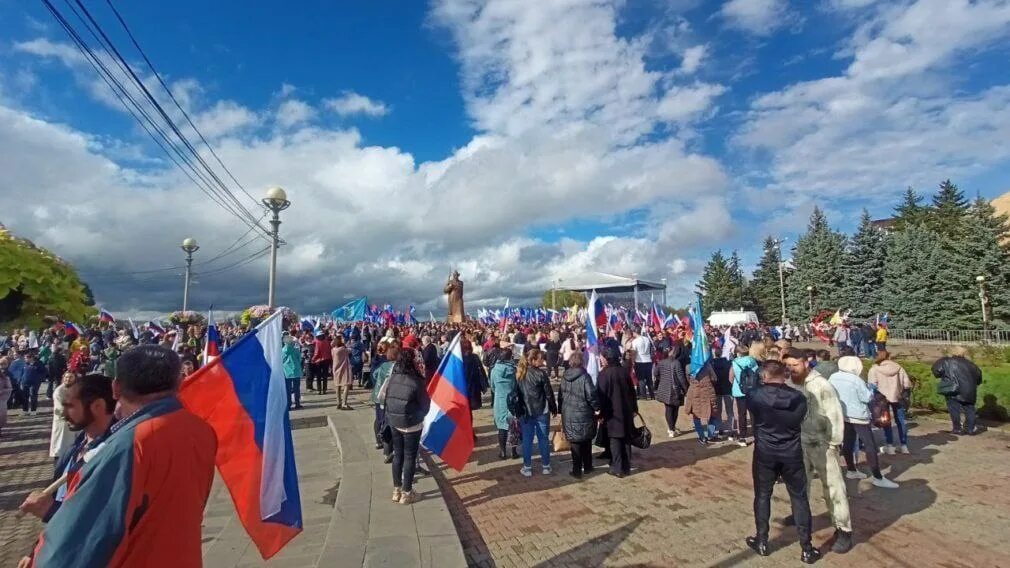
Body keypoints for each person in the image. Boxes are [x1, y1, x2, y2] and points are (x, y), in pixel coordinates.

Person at [23, 344, 216, 568]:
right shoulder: (202, 430)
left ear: (116, 389)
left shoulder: (130, 444)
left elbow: (86, 535)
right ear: (179, 382)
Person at [745, 360, 821, 565]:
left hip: (765, 452)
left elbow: (750, 400)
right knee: (799, 498)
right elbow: (800, 419)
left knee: (762, 495)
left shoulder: (755, 395)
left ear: (765, 377)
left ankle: (762, 540)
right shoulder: (799, 397)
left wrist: (755, 384)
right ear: (784, 375)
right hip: (791, 452)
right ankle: (806, 548)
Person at [782, 348, 853, 554]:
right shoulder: (790, 385)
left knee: (833, 489)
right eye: (788, 366)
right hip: (799, 443)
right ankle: (800, 515)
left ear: (806, 363)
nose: (791, 370)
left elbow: (835, 415)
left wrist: (833, 444)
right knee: (798, 484)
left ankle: (843, 529)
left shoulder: (822, 385)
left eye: (795, 365)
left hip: (823, 445)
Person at [20, 373, 116, 523]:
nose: (64, 414)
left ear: (98, 406)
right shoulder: (78, 446)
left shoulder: (114, 454)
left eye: (70, 406)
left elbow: (101, 520)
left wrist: (52, 511)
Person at [829, 356, 899, 488]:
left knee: (848, 443)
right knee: (870, 445)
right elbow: (867, 398)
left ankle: (851, 469)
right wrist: (870, 390)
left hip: (843, 414)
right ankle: (877, 477)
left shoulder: (833, 377)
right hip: (858, 416)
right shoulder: (856, 380)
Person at [381, 348, 431, 505]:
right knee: (409, 456)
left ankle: (396, 490)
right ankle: (407, 492)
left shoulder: (393, 377)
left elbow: (383, 397)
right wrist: (419, 415)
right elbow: (426, 405)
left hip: (394, 421)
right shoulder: (416, 381)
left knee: (398, 454)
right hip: (411, 423)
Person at [596, 347, 637, 477]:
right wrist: (635, 409)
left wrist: (600, 414)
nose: (601, 360)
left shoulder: (604, 374)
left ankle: (617, 468)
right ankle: (626, 466)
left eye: (602, 357)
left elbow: (601, 396)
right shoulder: (624, 371)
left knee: (615, 440)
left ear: (607, 359)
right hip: (626, 410)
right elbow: (632, 392)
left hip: (612, 413)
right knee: (625, 439)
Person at [516, 348, 557, 476]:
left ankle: (527, 467)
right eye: (541, 358)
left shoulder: (519, 374)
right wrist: (553, 407)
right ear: (533, 360)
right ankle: (545, 466)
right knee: (543, 439)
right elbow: (549, 393)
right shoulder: (540, 374)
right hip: (541, 411)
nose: (543, 360)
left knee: (527, 440)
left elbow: (516, 394)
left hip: (526, 412)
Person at [558, 351, 600, 478]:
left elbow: (560, 395)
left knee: (575, 443)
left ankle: (577, 469)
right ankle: (587, 466)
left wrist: (561, 410)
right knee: (586, 440)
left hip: (569, 412)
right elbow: (591, 394)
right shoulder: (585, 376)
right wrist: (597, 407)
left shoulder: (565, 376)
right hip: (584, 412)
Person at [933, 346, 985, 435]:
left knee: (954, 409)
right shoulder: (971, 364)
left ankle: (957, 429)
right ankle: (970, 429)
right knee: (969, 409)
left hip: (953, 389)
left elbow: (936, 371)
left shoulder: (946, 361)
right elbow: (979, 378)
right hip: (969, 390)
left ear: (952, 352)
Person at [867, 350, 911, 454]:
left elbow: (872, 385)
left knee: (886, 420)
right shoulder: (899, 367)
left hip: (882, 398)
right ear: (889, 357)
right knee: (900, 421)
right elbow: (907, 384)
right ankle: (904, 446)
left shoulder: (874, 369)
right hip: (897, 396)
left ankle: (890, 445)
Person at [490, 345, 520, 460]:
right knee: (513, 426)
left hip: (500, 399)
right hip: (512, 400)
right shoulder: (514, 369)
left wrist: (498, 391)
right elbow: (517, 385)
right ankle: (514, 452)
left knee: (502, 427)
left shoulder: (494, 370)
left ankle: (502, 452)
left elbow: (492, 386)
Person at [371, 342, 399, 463]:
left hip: (378, 395)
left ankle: (378, 442)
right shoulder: (397, 366)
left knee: (379, 419)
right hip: (389, 397)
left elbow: (374, 374)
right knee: (387, 424)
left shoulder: (383, 366)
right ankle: (387, 451)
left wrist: (378, 384)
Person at [653, 344, 688, 438]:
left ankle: (671, 428)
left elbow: (655, 373)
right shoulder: (677, 363)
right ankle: (671, 428)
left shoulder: (661, 362)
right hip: (675, 389)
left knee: (668, 409)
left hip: (664, 388)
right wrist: (686, 389)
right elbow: (681, 378)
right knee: (674, 409)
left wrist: (662, 379)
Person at [729, 342, 760, 445]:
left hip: (739, 391)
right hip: (753, 391)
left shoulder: (734, 363)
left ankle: (742, 436)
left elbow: (730, 378)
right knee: (753, 414)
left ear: (738, 353)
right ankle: (757, 435)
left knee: (741, 414)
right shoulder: (753, 361)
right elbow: (757, 374)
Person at [684, 360, 719, 446]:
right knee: (712, 413)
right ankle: (710, 435)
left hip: (695, 392)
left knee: (696, 415)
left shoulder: (688, 367)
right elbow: (714, 378)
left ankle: (702, 437)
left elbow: (688, 379)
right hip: (708, 391)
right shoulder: (707, 366)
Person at [49, 373, 77, 468]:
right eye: (66, 377)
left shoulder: (75, 389)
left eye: (70, 377)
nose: (68, 379)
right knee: (60, 447)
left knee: (71, 447)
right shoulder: (59, 391)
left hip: (74, 422)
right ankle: (57, 470)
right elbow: (60, 408)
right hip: (63, 423)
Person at [11, 350, 48, 415]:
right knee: (25, 397)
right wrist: (20, 380)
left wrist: (39, 379)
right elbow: (22, 373)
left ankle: (33, 410)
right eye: (25, 358)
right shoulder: (25, 364)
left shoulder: (39, 364)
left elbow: (44, 372)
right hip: (25, 383)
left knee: (33, 396)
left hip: (34, 383)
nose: (25, 359)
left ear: (31, 358)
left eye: (26, 358)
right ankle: (25, 410)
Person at [631, 328, 654, 399]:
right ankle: (652, 395)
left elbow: (634, 352)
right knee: (649, 379)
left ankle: (643, 396)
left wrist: (632, 361)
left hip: (639, 361)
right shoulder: (647, 339)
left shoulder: (635, 341)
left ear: (635, 332)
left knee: (641, 379)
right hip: (648, 360)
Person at [282, 334, 304, 410]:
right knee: (296, 389)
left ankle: (288, 405)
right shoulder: (296, 350)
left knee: (288, 390)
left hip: (286, 372)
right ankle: (297, 403)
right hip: (296, 371)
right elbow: (300, 360)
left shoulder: (282, 351)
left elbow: (281, 361)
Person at [331, 335, 352, 409]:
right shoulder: (343, 349)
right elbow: (350, 350)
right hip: (344, 369)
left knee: (337, 386)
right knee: (346, 385)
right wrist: (345, 343)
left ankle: (338, 402)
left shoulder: (333, 349)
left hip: (335, 368)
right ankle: (344, 403)